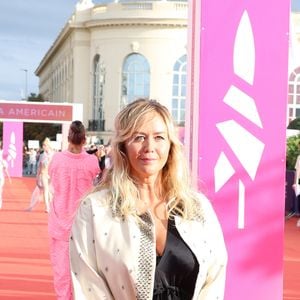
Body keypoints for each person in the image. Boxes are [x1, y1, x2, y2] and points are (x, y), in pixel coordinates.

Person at [70, 99, 228, 299]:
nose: (149, 147)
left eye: (159, 137)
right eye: (139, 137)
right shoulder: (95, 209)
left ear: (170, 145)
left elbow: (214, 277)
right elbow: (88, 287)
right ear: (123, 146)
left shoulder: (197, 207)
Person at [48, 120, 100, 300]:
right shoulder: (92, 161)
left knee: (61, 273)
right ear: (84, 139)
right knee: (83, 274)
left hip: (61, 223)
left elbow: (53, 182)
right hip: (83, 225)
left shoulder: (57, 159)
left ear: (68, 138)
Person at [26, 138, 53, 212]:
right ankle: (47, 207)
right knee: (45, 190)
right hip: (43, 174)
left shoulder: (53, 155)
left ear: (48, 146)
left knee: (49, 191)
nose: (44, 147)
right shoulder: (42, 155)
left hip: (50, 175)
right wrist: (37, 177)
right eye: (43, 146)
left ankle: (51, 205)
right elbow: (39, 167)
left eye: (45, 146)